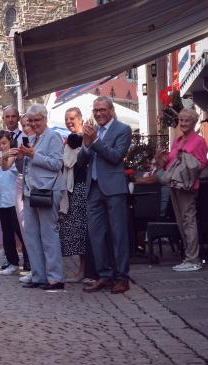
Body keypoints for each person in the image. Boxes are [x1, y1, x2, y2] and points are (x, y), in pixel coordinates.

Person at [4, 104, 65, 289]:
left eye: (36, 120)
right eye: (30, 121)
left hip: (47, 190)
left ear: (44, 119)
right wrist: (20, 158)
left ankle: (55, 278)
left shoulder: (53, 136)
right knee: (31, 236)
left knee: (48, 235)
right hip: (30, 191)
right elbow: (23, 169)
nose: (33, 124)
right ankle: (38, 276)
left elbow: (57, 164)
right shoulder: (31, 138)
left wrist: (33, 155)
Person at [79, 96, 132, 294]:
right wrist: (86, 144)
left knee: (118, 235)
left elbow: (116, 156)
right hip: (93, 188)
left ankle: (122, 278)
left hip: (114, 189)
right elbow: (81, 161)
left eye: (102, 110)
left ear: (111, 110)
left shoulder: (123, 129)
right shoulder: (92, 131)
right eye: (96, 110)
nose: (99, 113)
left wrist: (95, 141)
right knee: (96, 235)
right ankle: (104, 275)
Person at [166, 108, 208, 272]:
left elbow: (202, 163)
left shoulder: (199, 141)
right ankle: (188, 257)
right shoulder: (178, 140)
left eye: (186, 120)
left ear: (194, 123)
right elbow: (171, 162)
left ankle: (193, 259)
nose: (182, 123)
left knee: (188, 220)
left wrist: (185, 159)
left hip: (187, 186)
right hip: (174, 184)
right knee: (181, 220)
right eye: (181, 120)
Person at [0, 131, 29, 276]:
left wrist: (4, 159)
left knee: (21, 233)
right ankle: (12, 262)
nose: (1, 147)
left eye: (4, 143)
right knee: (7, 235)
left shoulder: (14, 155)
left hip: (15, 202)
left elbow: (14, 169)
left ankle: (30, 262)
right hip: (2, 202)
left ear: (10, 142)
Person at [59, 107, 88, 282]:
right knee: (76, 231)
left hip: (83, 187)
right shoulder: (69, 141)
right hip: (71, 189)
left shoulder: (85, 138)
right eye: (67, 119)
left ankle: (84, 271)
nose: (69, 122)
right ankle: (82, 270)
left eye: (72, 119)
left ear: (80, 119)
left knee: (82, 231)